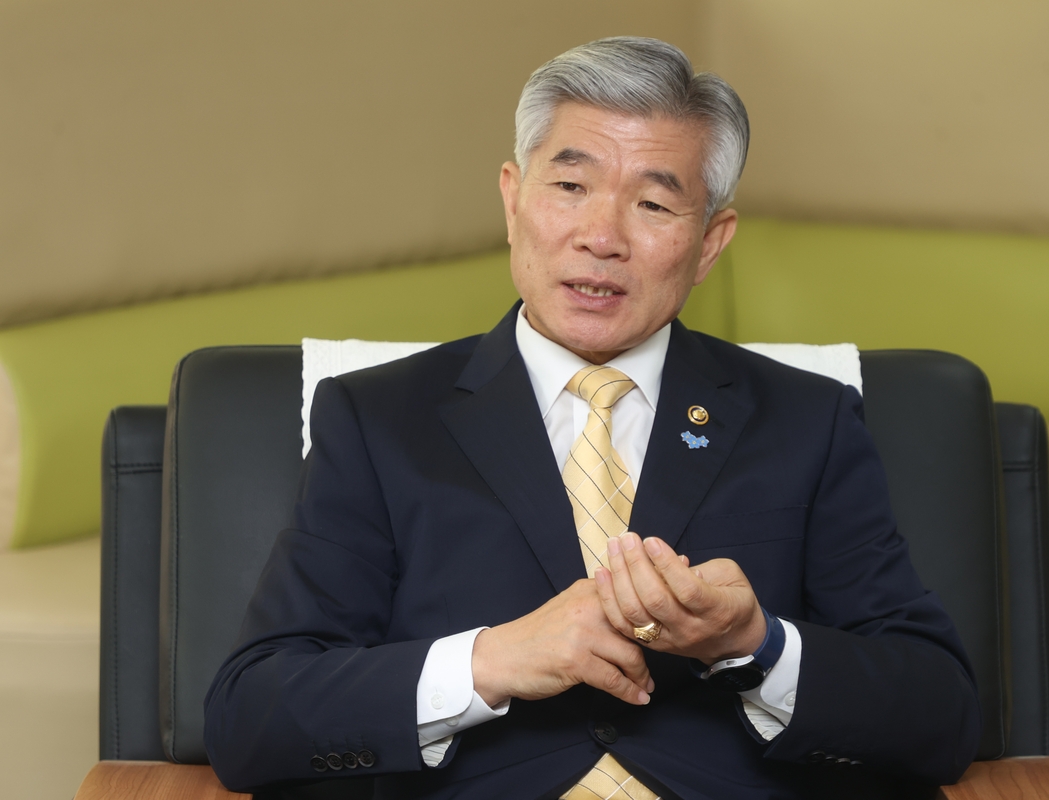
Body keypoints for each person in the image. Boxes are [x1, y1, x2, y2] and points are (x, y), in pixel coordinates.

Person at [205, 37, 980, 799]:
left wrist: (754, 645)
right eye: (570, 188)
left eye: (651, 202)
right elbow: (252, 717)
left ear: (710, 242)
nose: (601, 237)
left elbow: (940, 715)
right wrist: (496, 659)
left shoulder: (806, 419)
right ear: (513, 200)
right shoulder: (377, 419)